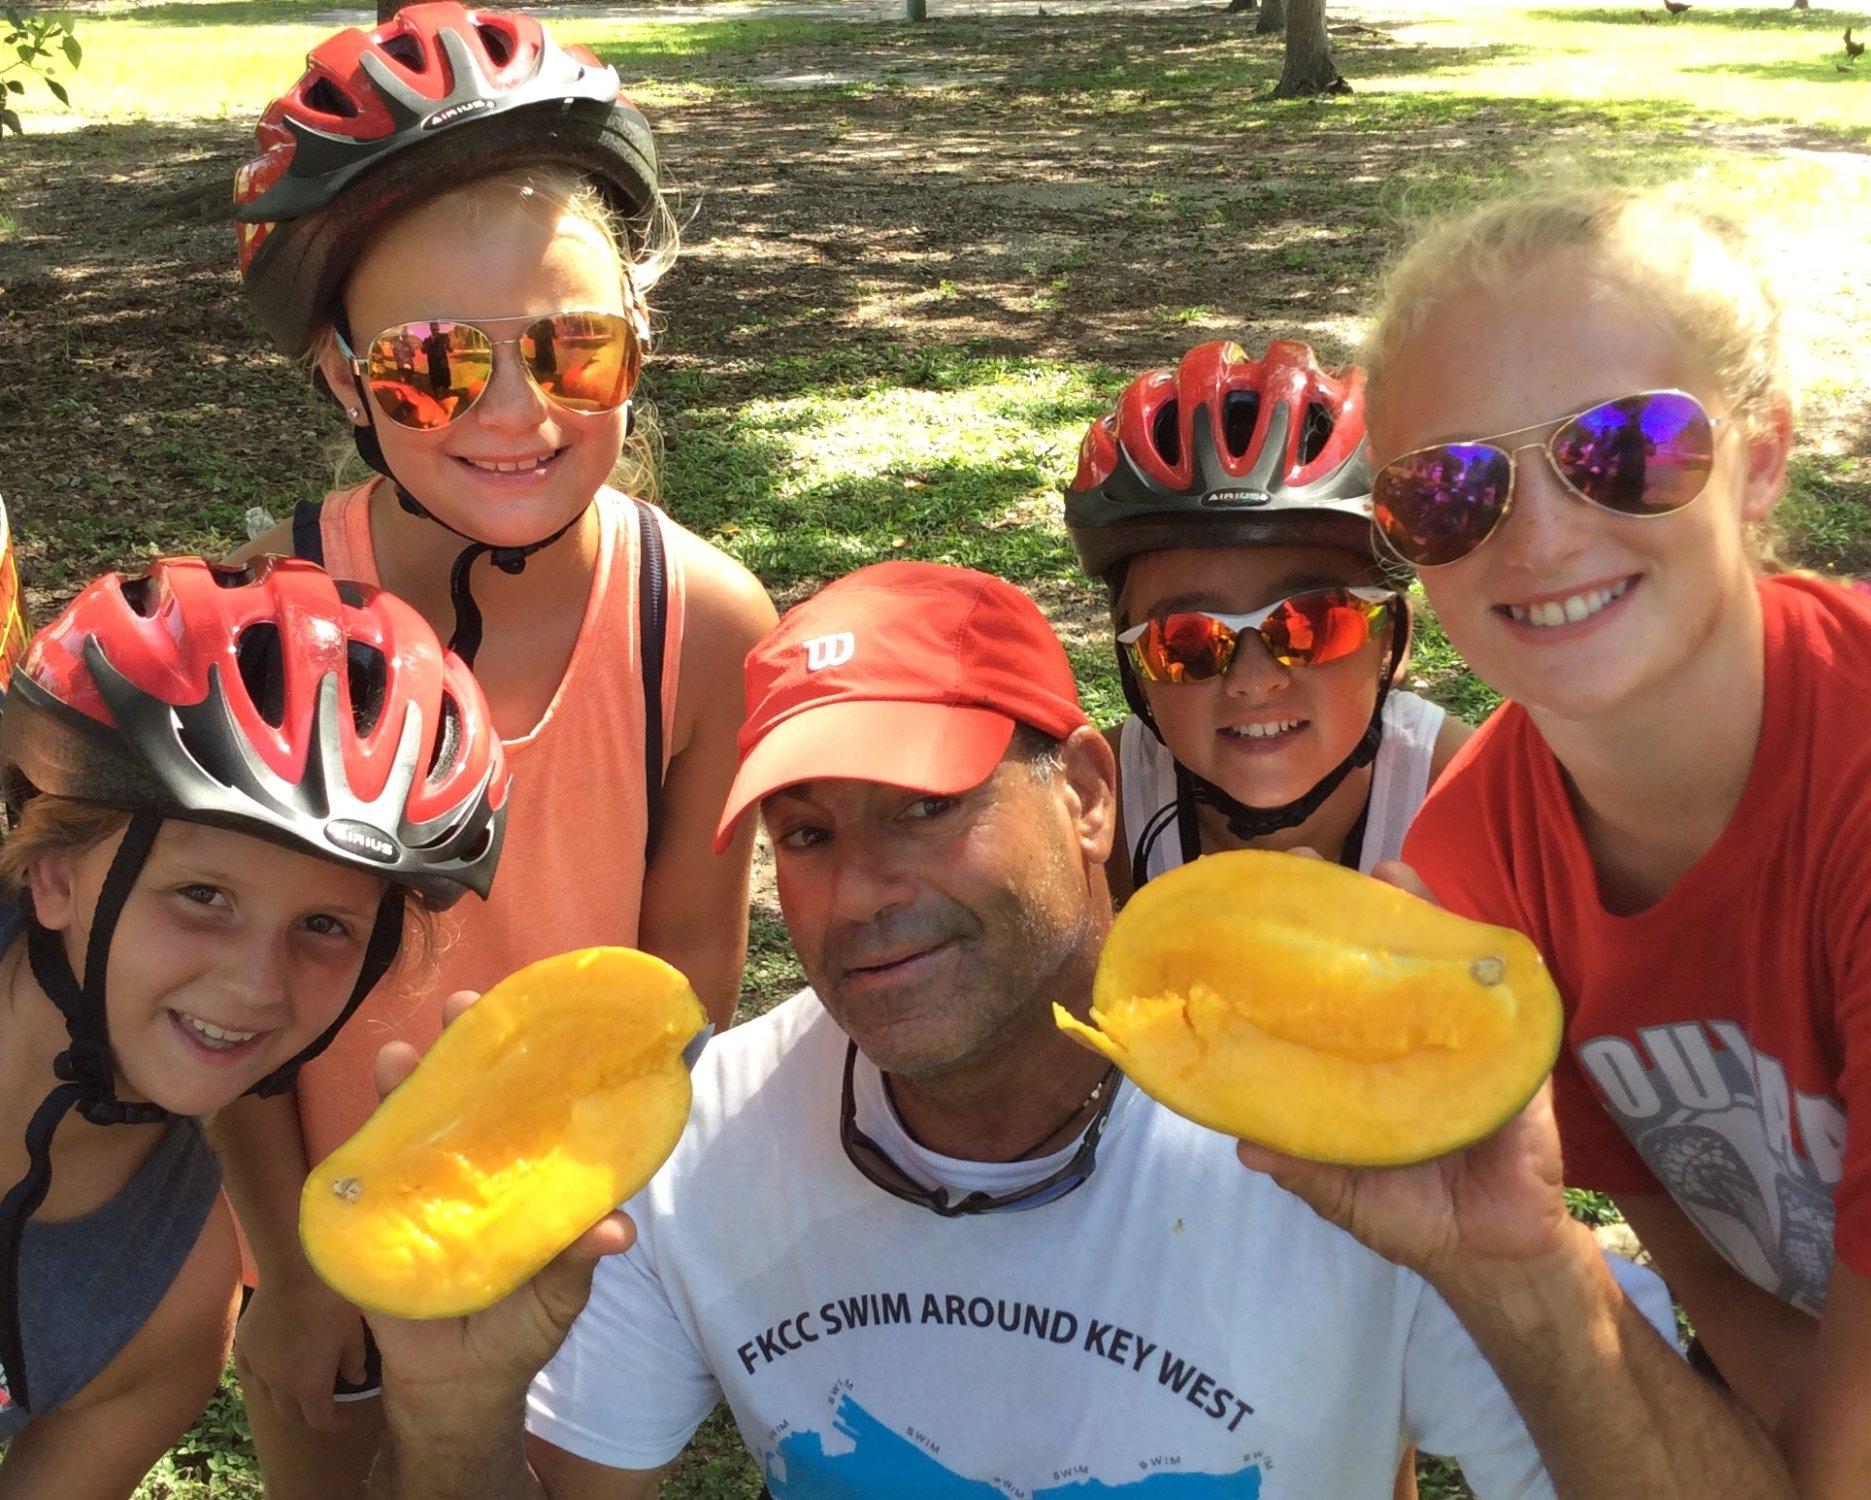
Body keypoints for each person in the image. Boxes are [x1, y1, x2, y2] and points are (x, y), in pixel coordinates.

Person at [352, 561, 1795, 1498]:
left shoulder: (1340, 1134)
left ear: (1089, 795)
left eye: (927, 808)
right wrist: (451, 1415)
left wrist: (1527, 1282)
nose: (860, 893)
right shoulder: (689, 1149)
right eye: (806, 833)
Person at [222, 7, 775, 1492]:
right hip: (329, 1231)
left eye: (574, 348)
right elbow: (234, 999)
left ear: (638, 347)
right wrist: (291, 1269)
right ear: (343, 379)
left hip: (581, 1231)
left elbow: (681, 987)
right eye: (433, 366)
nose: (516, 414)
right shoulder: (273, 617)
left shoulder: (700, 626)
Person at [1371, 187, 1871, 1492]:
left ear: (1759, 457)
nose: (1538, 537)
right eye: (1449, 491)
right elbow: (1703, 1264)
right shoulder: (1475, 873)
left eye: (1622, 447)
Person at [0, 555, 507, 1497]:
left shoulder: (165, 1307)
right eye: (202, 895)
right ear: (53, 875)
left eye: (325, 926)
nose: (255, 986)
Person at [1063, 338, 1471, 904]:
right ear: (1135, 669)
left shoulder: (1476, 808)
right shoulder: (1094, 818)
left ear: (1392, 644)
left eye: (1314, 624)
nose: (1253, 680)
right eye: (1186, 642)